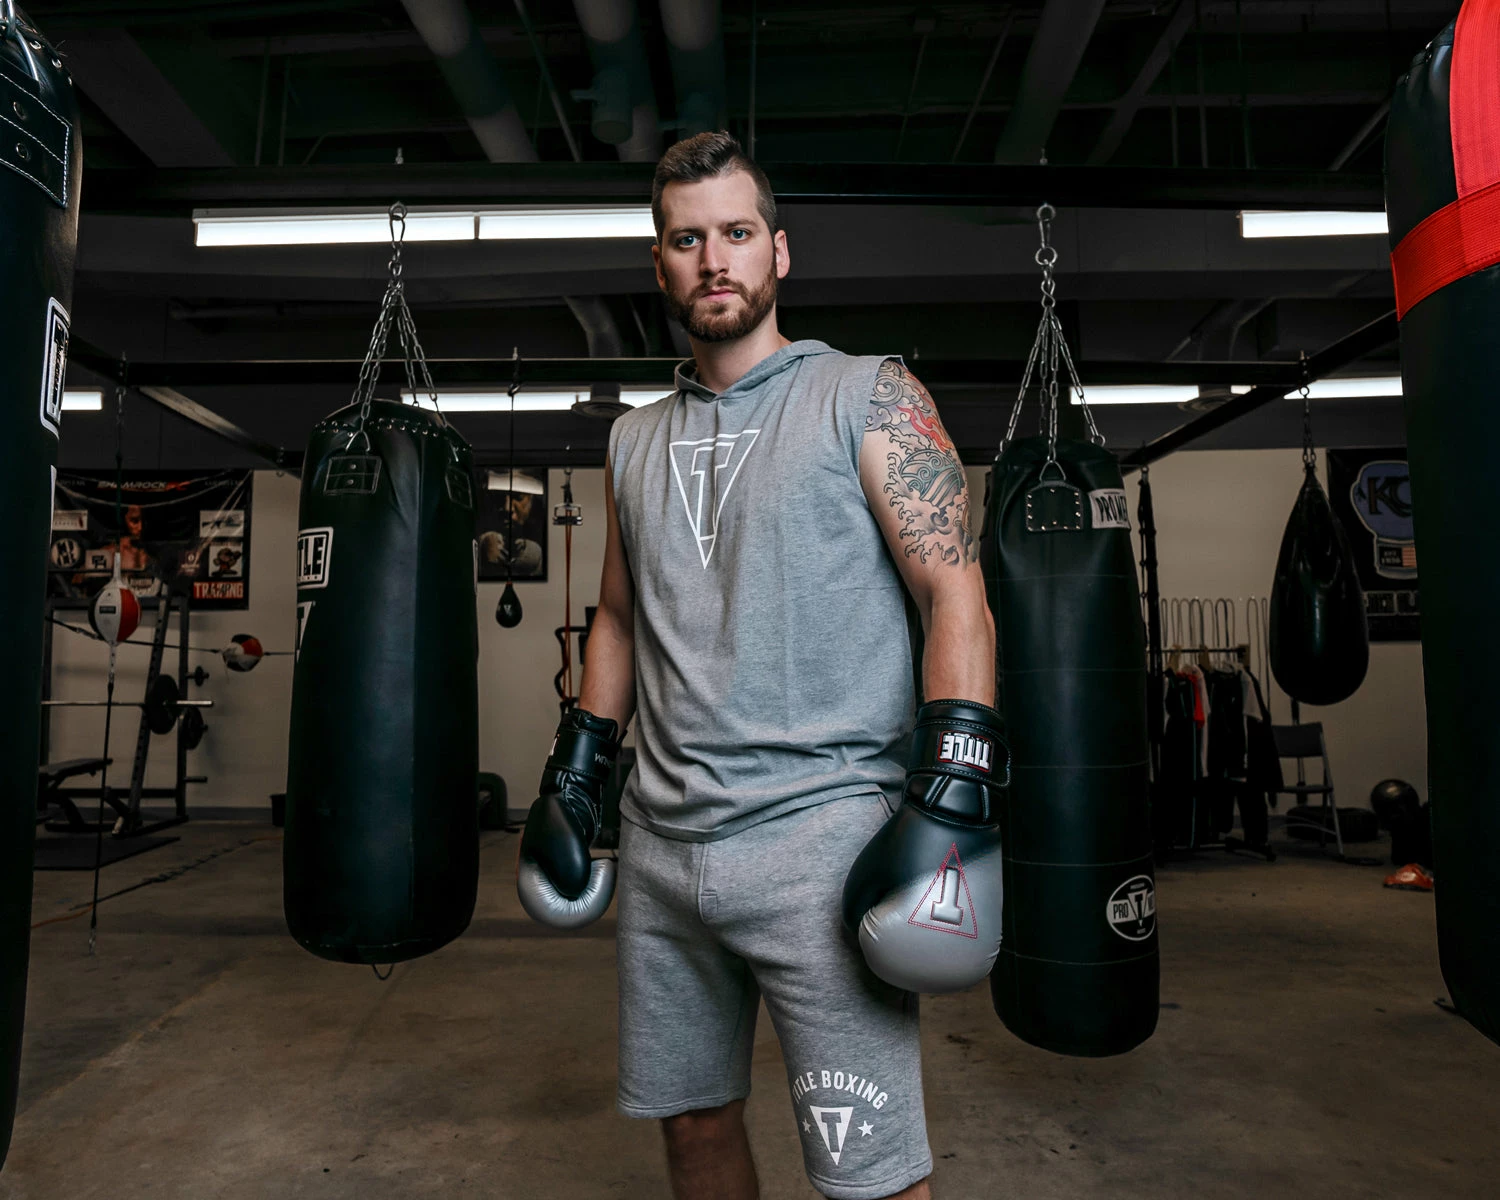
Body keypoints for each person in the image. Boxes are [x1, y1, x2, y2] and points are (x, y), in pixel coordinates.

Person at [516, 132, 1000, 1200]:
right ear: (660, 266)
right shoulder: (633, 440)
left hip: (819, 840)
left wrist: (951, 787)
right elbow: (616, 619)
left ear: (779, 252)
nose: (714, 259)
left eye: (736, 233)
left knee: (870, 1171)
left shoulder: (866, 395)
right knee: (692, 1124)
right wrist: (576, 771)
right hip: (661, 844)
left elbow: (954, 592)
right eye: (687, 240)